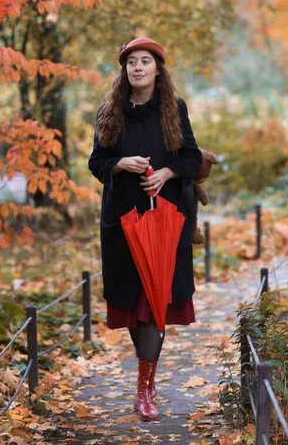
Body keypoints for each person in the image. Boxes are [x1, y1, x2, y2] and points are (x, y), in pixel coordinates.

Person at [88, 37, 202, 422]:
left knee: (156, 301)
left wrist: (168, 172)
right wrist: (120, 164)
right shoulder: (110, 110)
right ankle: (147, 383)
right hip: (121, 223)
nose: (138, 68)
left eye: (145, 62)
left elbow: (191, 155)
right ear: (125, 69)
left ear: (157, 69)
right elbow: (96, 162)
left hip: (167, 219)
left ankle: (144, 391)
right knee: (136, 304)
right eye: (132, 62)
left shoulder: (175, 107)